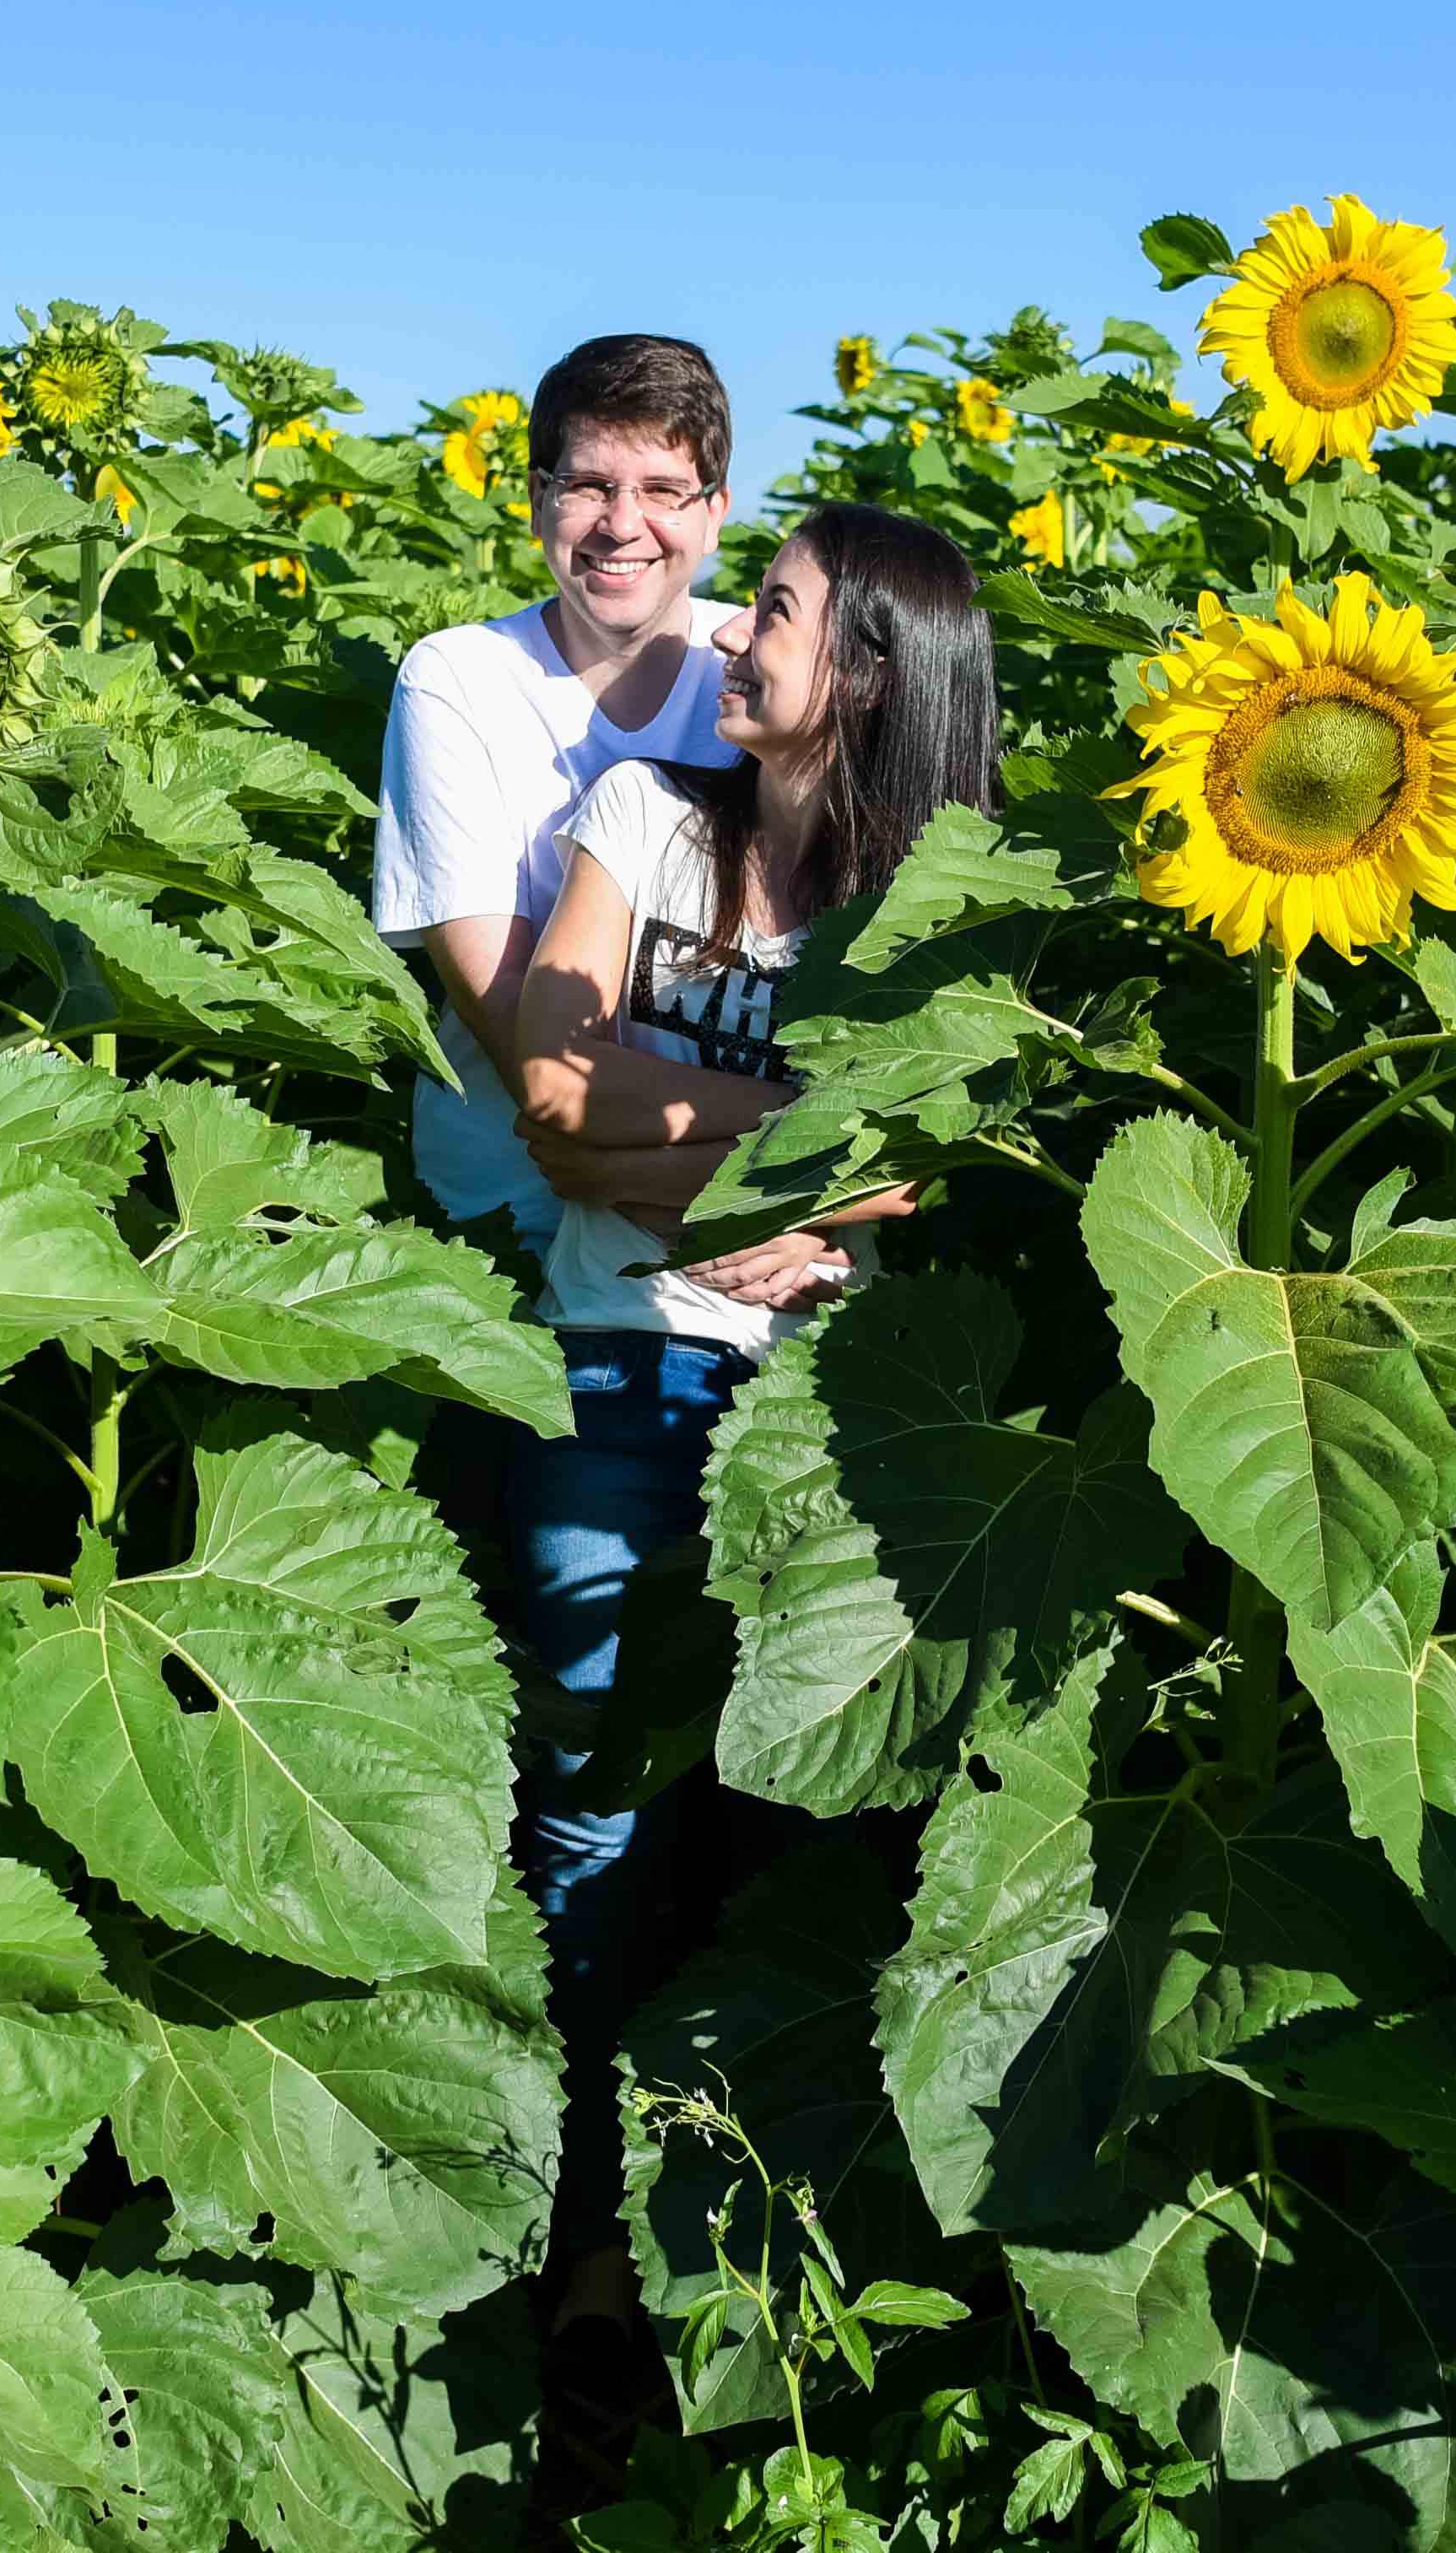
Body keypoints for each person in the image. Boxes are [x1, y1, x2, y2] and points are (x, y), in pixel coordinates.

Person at [500, 500, 1001, 2427]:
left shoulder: (932, 905)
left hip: (831, 1412)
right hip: (623, 1358)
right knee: (593, 1811)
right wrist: (740, 1181)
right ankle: (559, 2236)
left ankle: (735, 2261)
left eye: (770, 605)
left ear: (859, 667)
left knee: (797, 1836)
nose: (732, 627)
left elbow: (914, 1159)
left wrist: (669, 1129)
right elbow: (548, 1077)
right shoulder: (645, 817)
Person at [366, 333, 851, 1322]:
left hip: (744, 1251)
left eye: (664, 489)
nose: (621, 524)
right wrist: (736, 1203)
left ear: (715, 513)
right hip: (502, 1216)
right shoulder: (457, 678)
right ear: (538, 498)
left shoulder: (762, 673)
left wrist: (774, 1202)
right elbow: (511, 1019)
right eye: (587, 484)